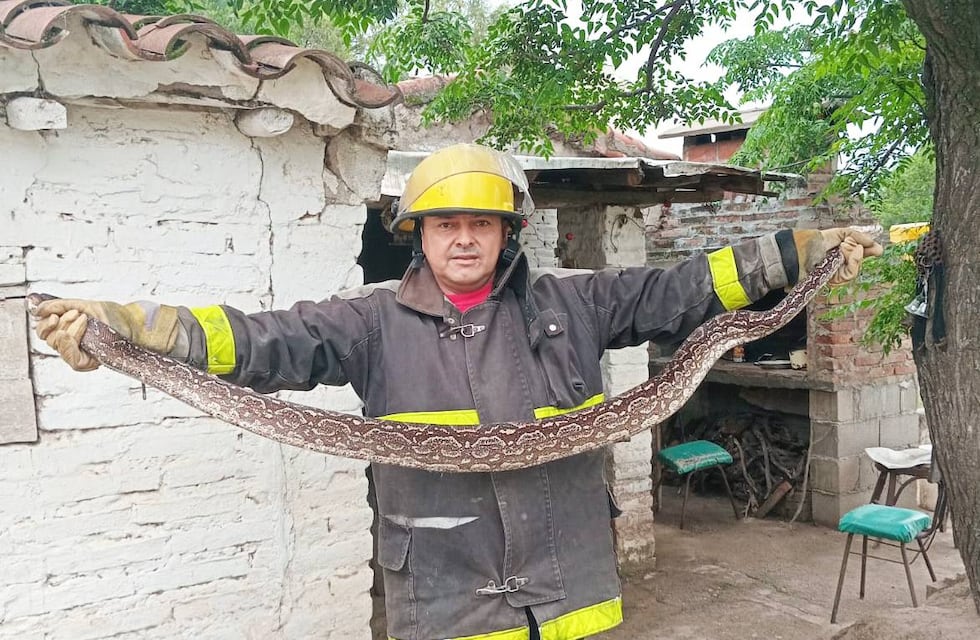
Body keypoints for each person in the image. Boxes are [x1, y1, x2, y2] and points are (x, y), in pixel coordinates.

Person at [33, 143, 882, 640]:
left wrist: (802, 252)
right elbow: (253, 342)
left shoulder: (574, 302)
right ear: (419, 236)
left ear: (511, 232)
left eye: (482, 223)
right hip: (443, 598)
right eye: (447, 224)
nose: (465, 238)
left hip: (572, 588)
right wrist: (132, 327)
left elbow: (688, 289)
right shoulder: (365, 324)